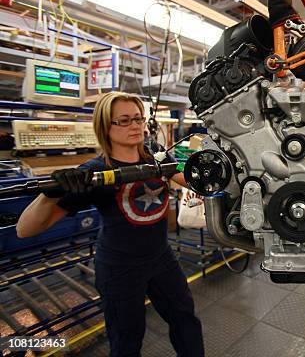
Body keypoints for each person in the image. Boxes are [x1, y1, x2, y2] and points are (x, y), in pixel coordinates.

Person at [17, 92, 205, 357]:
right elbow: (25, 230)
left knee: (186, 321)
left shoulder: (157, 155)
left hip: (161, 257)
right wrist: (50, 194)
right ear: (105, 127)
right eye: (125, 120)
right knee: (126, 339)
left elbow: (191, 181)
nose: (135, 125)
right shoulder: (94, 172)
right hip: (120, 268)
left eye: (138, 119)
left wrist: (210, 174)